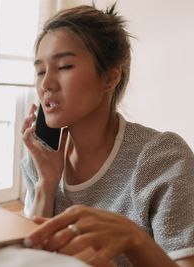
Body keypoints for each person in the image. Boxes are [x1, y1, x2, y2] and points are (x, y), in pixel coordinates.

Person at [20, 3, 194, 267]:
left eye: (64, 66)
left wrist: (134, 239)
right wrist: (46, 183)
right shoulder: (40, 160)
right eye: (41, 71)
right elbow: (30, 258)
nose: (46, 84)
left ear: (110, 78)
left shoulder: (162, 159)